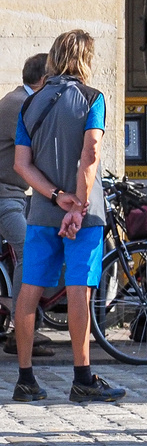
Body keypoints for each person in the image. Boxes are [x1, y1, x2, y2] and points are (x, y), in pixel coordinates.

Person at [10, 30, 124, 403]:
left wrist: (56, 197)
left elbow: (21, 164)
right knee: (79, 289)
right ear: (86, 59)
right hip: (85, 214)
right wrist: (77, 205)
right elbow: (90, 153)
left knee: (30, 288)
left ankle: (25, 378)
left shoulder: (31, 103)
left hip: (42, 211)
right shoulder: (93, 98)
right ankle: (82, 377)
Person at [0, 53, 53, 357]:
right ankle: (20, 332)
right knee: (29, 250)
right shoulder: (20, 103)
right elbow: (40, 147)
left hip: (16, 194)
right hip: (4, 196)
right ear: (44, 80)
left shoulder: (24, 99)